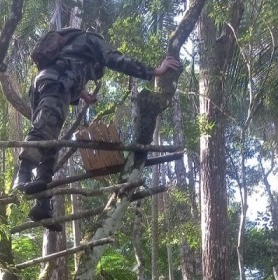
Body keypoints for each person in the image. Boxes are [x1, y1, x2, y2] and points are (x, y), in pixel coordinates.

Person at [14, 28, 181, 230]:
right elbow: (115, 59)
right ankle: (21, 177)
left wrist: (81, 94)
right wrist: (154, 71)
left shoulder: (69, 47)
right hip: (56, 84)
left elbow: (69, 68)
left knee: (49, 139)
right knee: (44, 129)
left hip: (44, 84)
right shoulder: (91, 40)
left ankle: (42, 204)